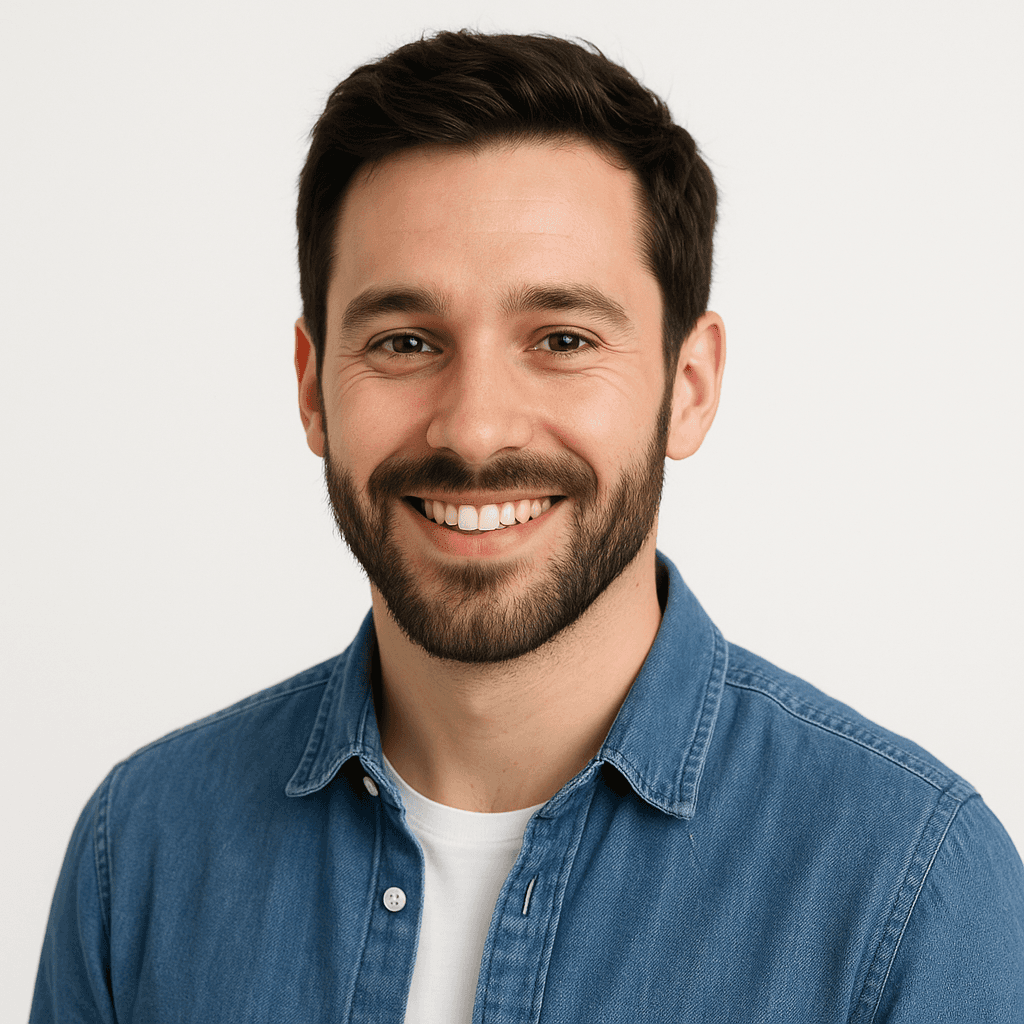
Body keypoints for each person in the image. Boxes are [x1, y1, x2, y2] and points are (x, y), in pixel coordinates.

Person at [31, 29, 1023, 1022]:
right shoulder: (141, 850)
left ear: (688, 385)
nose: (474, 429)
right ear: (312, 386)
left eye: (561, 339)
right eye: (405, 341)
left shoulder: (911, 886)